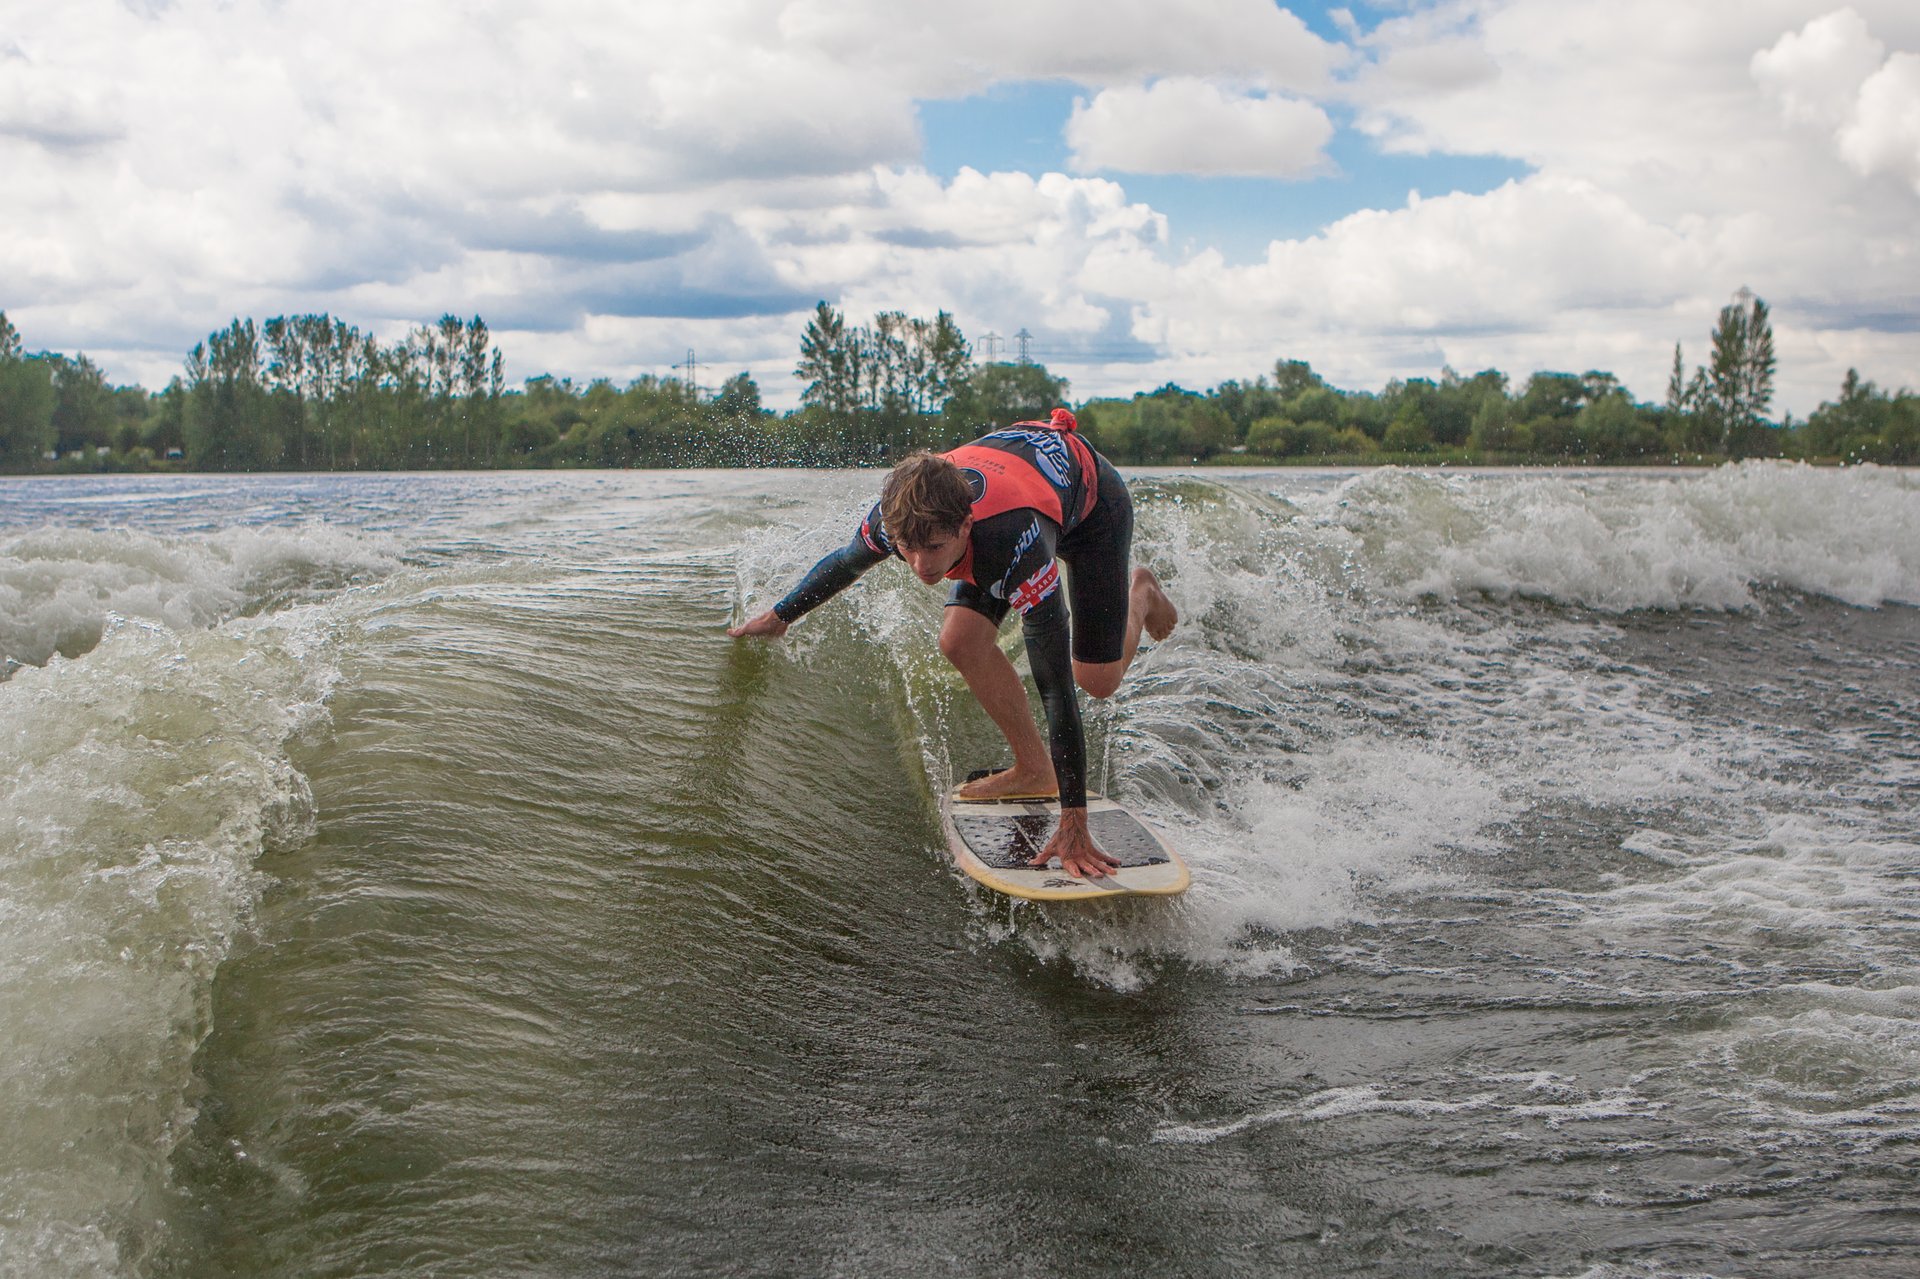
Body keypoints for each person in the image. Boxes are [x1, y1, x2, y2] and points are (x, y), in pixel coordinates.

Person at [728, 408, 1177, 879]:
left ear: (964, 526)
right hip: (1017, 479)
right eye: (908, 549)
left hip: (1092, 509)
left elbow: (1056, 689)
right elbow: (845, 563)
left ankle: (1141, 594)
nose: (921, 565)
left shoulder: (1015, 539)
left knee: (1095, 679)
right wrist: (779, 616)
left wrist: (1073, 824)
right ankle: (1033, 769)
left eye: (935, 549)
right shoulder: (898, 520)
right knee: (960, 641)